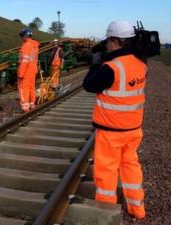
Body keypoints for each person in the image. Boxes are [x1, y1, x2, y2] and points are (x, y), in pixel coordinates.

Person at [83, 20, 147, 219]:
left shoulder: (111, 68)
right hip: (133, 128)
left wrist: (95, 64)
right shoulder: (141, 64)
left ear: (115, 40)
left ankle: (105, 212)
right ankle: (137, 208)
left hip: (111, 131)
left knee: (106, 171)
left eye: (108, 41)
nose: (107, 45)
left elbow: (89, 85)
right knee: (130, 166)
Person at [17, 28, 40, 112]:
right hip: (33, 69)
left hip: (26, 70)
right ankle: (31, 104)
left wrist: (20, 73)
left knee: (23, 88)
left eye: (22, 36)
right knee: (31, 87)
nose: (21, 38)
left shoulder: (26, 45)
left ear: (25, 36)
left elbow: (24, 61)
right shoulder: (34, 46)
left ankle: (25, 107)